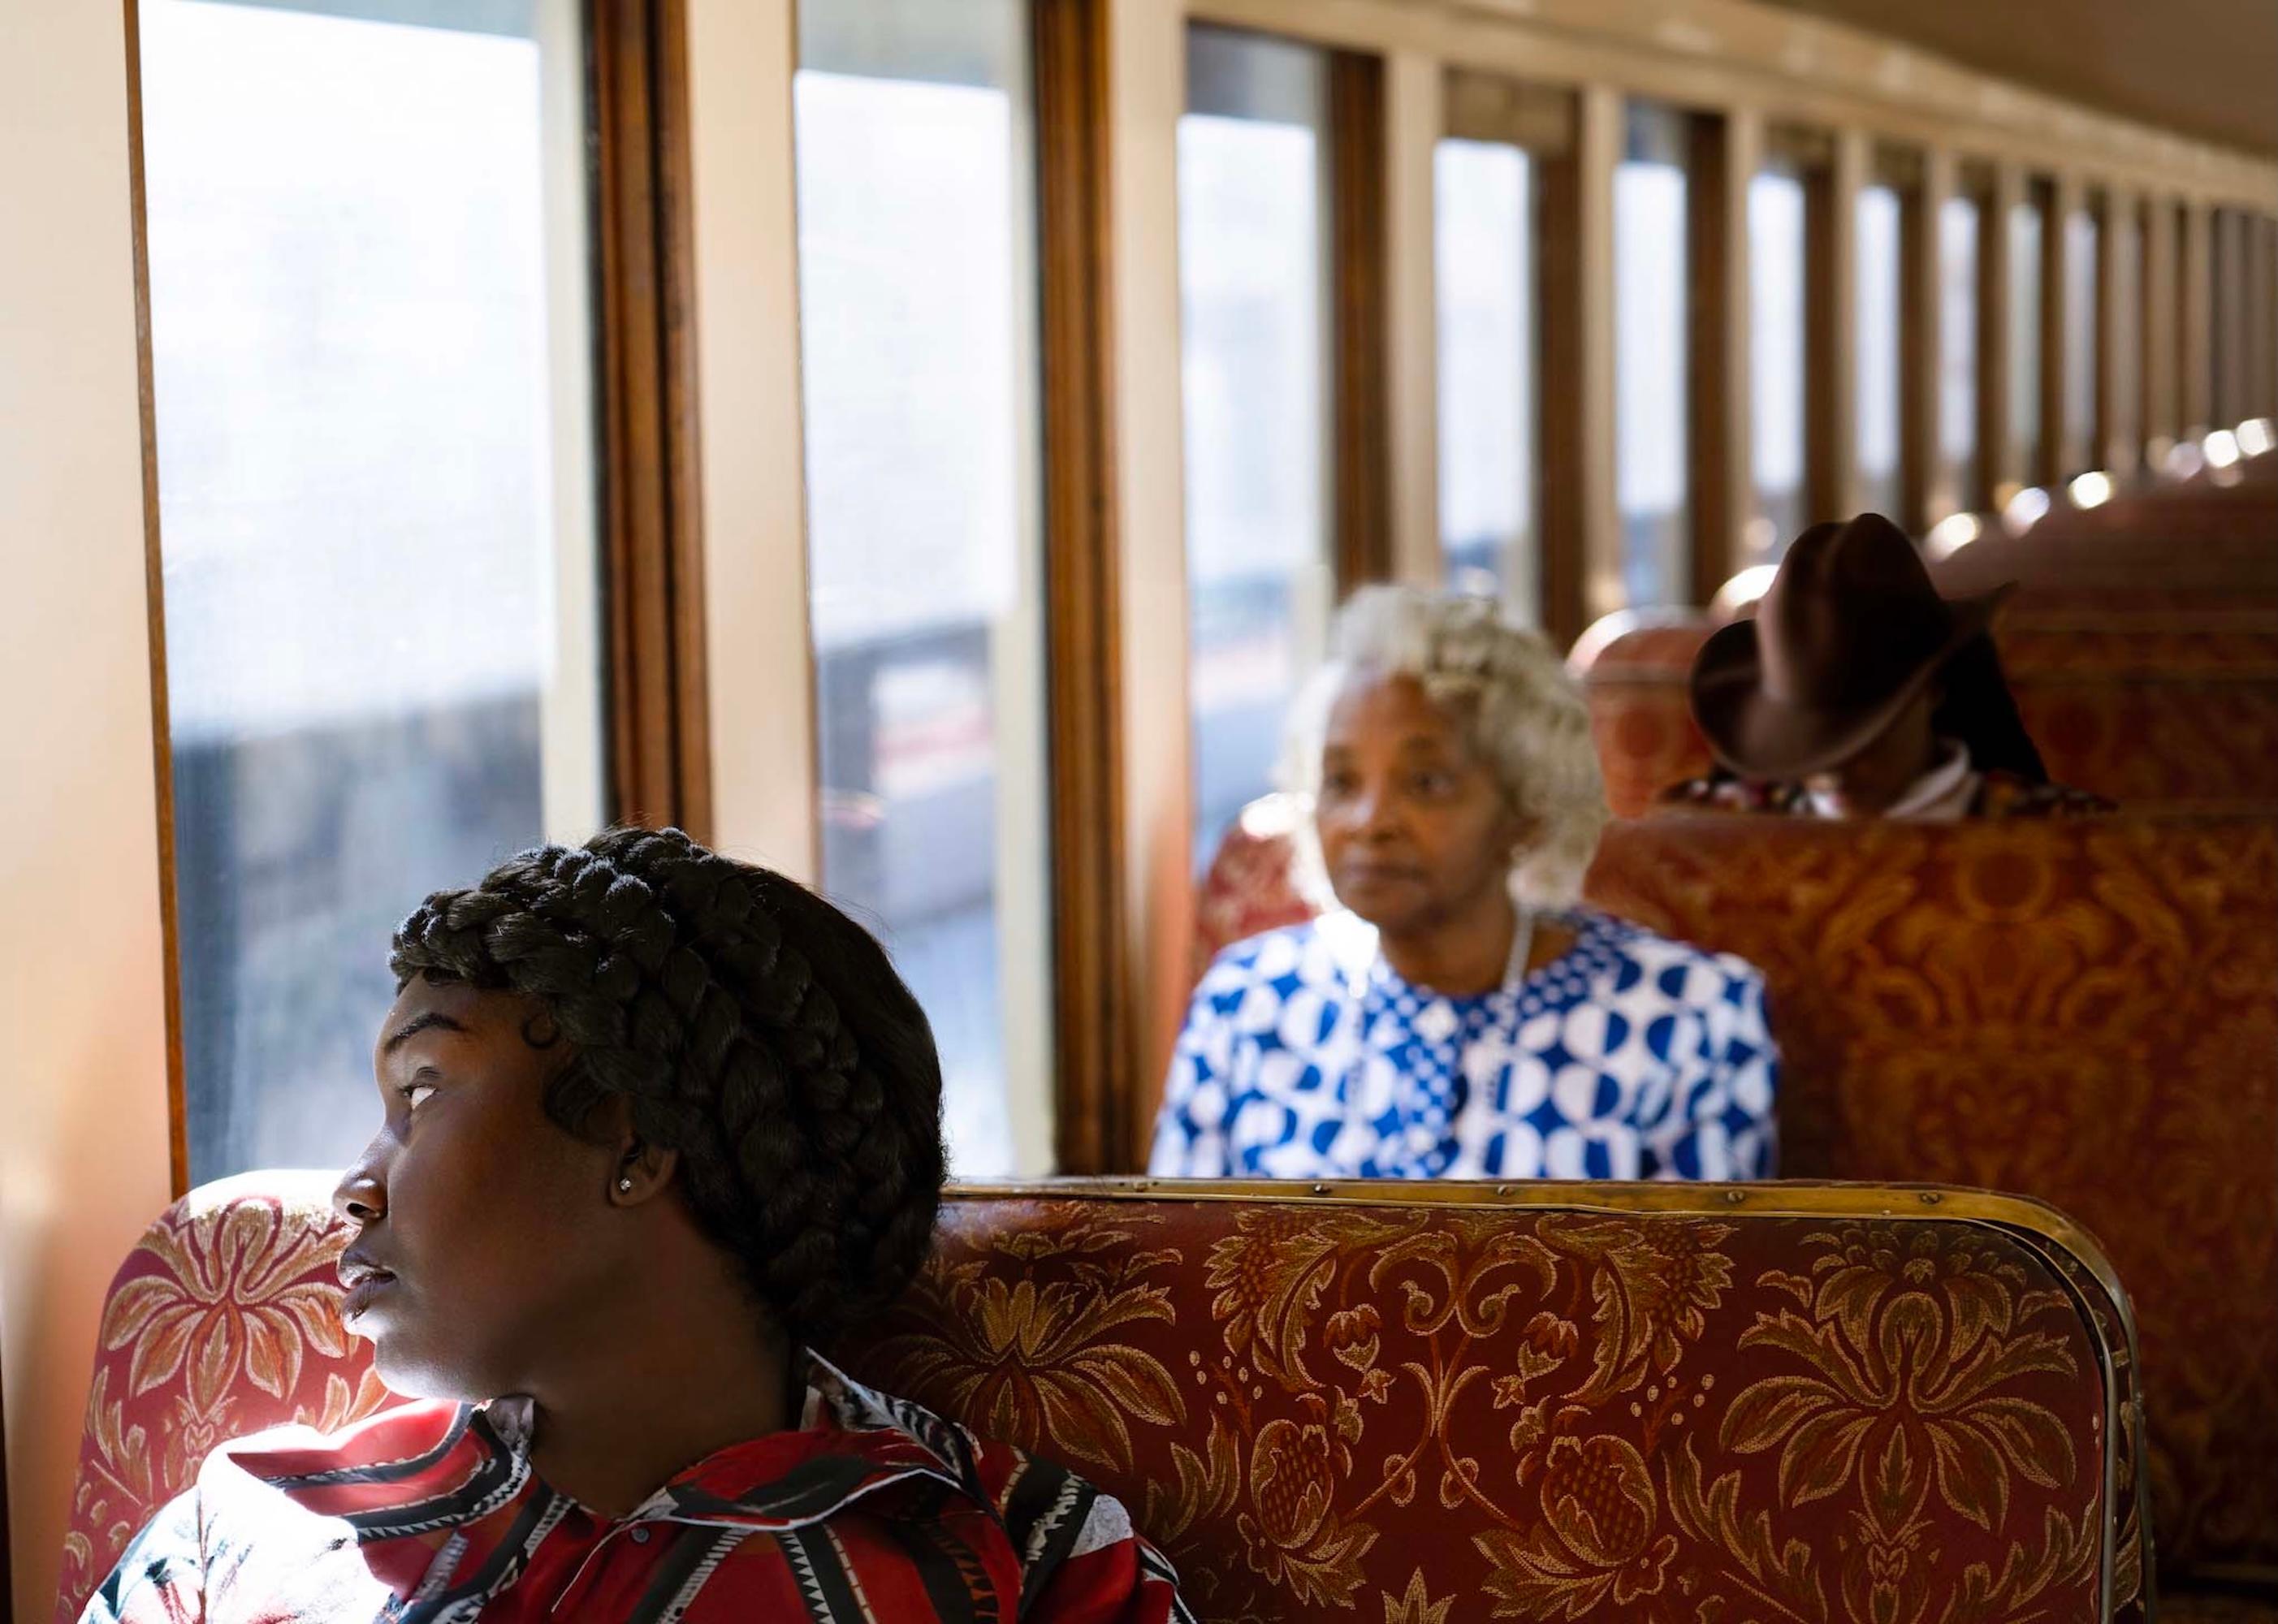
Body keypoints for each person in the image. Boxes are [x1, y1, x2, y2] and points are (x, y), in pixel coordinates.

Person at [82, 827, 1191, 1624]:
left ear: (635, 1141)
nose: (355, 1188)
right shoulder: (250, 1526)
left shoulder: (1017, 1558)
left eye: (419, 1094)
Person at [1151, 585, 1777, 1182]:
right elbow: (1176, 1275)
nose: (1368, 823)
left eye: (1426, 783)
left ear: (1526, 808)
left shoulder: (1686, 1016)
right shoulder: (1245, 1006)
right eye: (1340, 783)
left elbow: (1700, 1289)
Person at [1664, 512, 2111, 818]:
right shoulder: (1706, 828)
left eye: (1865, 738)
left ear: (1932, 691)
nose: (1832, 772)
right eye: (1806, 742)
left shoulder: (2072, 838)